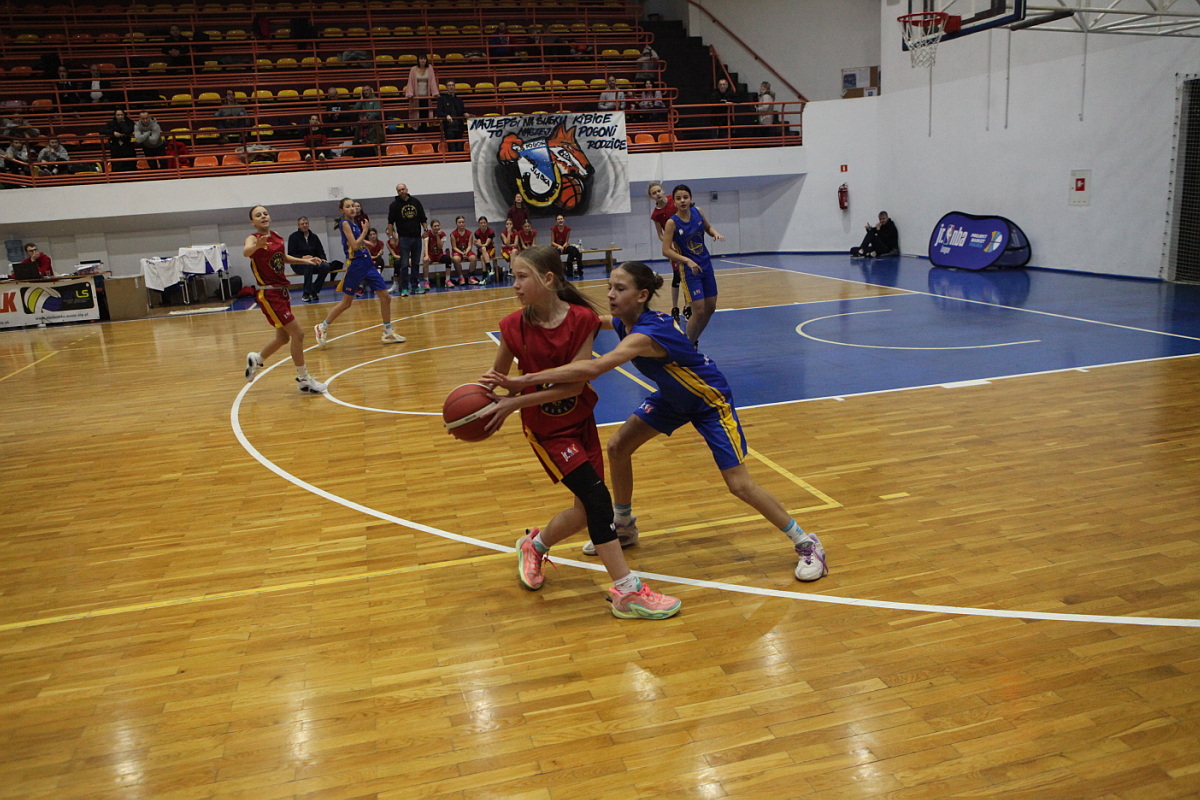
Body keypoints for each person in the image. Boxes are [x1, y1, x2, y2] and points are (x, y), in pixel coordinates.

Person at [487, 261, 829, 581]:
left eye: (620, 289)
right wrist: (547, 313)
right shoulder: (624, 321)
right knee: (618, 447)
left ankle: (806, 543)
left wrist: (524, 380)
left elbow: (594, 367)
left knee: (739, 484)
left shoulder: (646, 333)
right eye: (609, 287)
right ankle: (623, 526)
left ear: (642, 295)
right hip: (672, 398)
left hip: (709, 401)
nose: (610, 294)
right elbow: (585, 321)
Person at [476, 246, 682, 620]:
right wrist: (483, 407)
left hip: (581, 420)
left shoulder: (582, 320)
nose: (514, 285)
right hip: (546, 430)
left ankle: (534, 545)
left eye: (522, 277)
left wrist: (517, 394)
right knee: (599, 500)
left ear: (547, 279)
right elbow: (496, 385)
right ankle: (627, 591)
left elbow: (573, 386)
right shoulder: (512, 327)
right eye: (513, 277)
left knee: (586, 510)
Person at [242, 205, 329, 394]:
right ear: (252, 222)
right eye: (258, 215)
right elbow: (246, 251)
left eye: (265, 213)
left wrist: (305, 261)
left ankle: (257, 359)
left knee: (282, 337)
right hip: (269, 294)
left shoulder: (276, 236)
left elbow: (282, 258)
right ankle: (304, 379)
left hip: (282, 292)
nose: (263, 216)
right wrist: (257, 246)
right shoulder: (253, 238)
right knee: (298, 334)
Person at [314, 197, 407, 347]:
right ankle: (322, 326)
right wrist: (365, 231)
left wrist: (367, 242)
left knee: (385, 297)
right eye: (348, 206)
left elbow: (359, 242)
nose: (352, 208)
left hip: (367, 264)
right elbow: (355, 245)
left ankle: (388, 332)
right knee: (346, 303)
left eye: (354, 206)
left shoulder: (354, 224)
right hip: (356, 265)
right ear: (342, 210)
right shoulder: (344, 223)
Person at [661, 184, 724, 346]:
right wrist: (686, 260)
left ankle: (692, 341)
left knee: (710, 308)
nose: (682, 201)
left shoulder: (698, 212)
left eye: (685, 197)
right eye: (678, 198)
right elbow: (666, 250)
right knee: (699, 310)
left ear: (691, 198)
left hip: (706, 266)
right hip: (690, 270)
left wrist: (715, 232)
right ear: (674, 202)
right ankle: (686, 345)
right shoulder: (672, 223)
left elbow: (708, 227)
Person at [647, 181, 689, 323]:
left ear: (663, 190)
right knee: (677, 276)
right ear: (651, 197)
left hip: (685, 243)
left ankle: (687, 307)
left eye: (658, 191)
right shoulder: (656, 214)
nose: (657, 194)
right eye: (654, 193)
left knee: (687, 276)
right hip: (673, 246)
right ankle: (675, 308)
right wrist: (669, 243)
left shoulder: (674, 199)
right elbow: (660, 234)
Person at [385, 183, 427, 297]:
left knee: (415, 263)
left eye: (403, 189)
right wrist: (391, 237)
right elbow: (390, 223)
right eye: (399, 190)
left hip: (417, 238)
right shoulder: (394, 205)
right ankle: (404, 288)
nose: (401, 192)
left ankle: (415, 286)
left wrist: (425, 230)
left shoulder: (416, 202)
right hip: (404, 239)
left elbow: (423, 218)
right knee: (404, 264)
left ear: (407, 190)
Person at [288, 216, 337, 302]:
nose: (304, 225)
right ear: (298, 225)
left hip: (313, 263)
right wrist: (302, 258)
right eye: (302, 224)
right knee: (308, 265)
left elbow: (320, 251)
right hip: (299, 264)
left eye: (306, 223)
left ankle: (314, 290)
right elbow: (291, 254)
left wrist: (322, 259)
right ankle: (306, 293)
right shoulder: (293, 237)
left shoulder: (314, 237)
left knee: (325, 266)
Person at [420, 218, 456, 289]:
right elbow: (425, 245)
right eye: (435, 226)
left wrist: (437, 236)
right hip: (430, 254)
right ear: (431, 227)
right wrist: (426, 255)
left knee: (448, 259)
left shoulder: (442, 234)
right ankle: (426, 281)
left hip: (439, 254)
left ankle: (447, 280)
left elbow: (440, 246)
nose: (437, 227)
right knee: (425, 261)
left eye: (438, 226)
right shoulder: (428, 234)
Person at [404, 53, 439, 125]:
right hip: (416, 97)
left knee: (425, 114)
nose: (423, 60)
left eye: (424, 59)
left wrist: (435, 92)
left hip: (426, 96)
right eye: (421, 59)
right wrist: (410, 93)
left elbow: (433, 81)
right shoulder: (413, 69)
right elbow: (410, 82)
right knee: (416, 114)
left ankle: (425, 128)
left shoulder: (430, 68)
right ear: (418, 60)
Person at [434, 81, 467, 152]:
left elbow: (462, 110)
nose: (451, 87)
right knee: (452, 148)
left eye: (452, 85)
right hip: (449, 127)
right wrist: (446, 115)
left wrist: (465, 114)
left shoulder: (459, 100)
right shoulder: (442, 99)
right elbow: (439, 112)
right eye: (449, 85)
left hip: (459, 127)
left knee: (459, 148)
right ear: (446, 88)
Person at [449, 215, 482, 284]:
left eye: (463, 222)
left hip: (467, 250)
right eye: (459, 222)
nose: (461, 224)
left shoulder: (469, 233)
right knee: (456, 259)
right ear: (456, 224)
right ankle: (461, 277)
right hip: (457, 251)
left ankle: (471, 277)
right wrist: (462, 253)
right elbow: (454, 247)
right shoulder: (453, 234)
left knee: (473, 258)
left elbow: (470, 245)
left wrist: (466, 252)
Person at [549, 214, 582, 278]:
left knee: (573, 250)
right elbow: (552, 242)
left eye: (561, 219)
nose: (560, 220)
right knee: (555, 252)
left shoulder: (567, 229)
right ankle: (558, 271)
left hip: (564, 245)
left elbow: (566, 241)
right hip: (556, 246)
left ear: (564, 220)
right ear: (556, 221)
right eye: (558, 219)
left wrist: (563, 247)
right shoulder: (553, 229)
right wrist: (559, 246)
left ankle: (575, 270)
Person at [474, 216, 498, 282]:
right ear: (479, 224)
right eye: (481, 223)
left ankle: (484, 276)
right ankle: (489, 268)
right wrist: (477, 244)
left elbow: (486, 244)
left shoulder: (491, 232)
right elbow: (479, 245)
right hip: (482, 250)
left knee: (482, 256)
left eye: (484, 223)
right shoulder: (477, 232)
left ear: (487, 223)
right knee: (483, 249)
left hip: (490, 249)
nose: (483, 224)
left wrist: (479, 244)